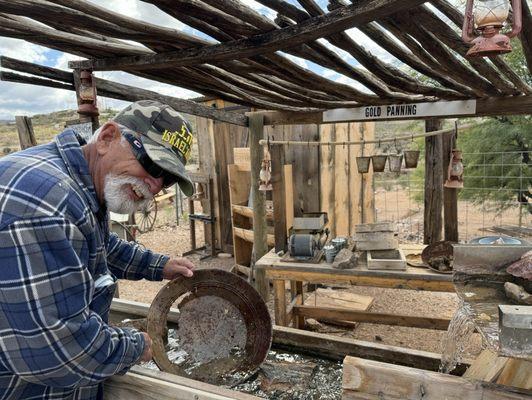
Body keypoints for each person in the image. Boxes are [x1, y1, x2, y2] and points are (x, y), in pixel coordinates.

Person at [0, 100, 196, 399]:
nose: (155, 185)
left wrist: (159, 265)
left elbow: (99, 245)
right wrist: (136, 345)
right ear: (107, 138)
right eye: (152, 164)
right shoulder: (46, 207)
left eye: (166, 178)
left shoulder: (77, 186)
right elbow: (60, 353)